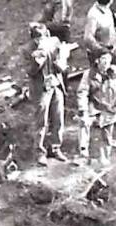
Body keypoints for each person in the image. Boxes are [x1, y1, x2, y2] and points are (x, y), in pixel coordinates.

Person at [76, 48, 116, 166]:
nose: (107, 62)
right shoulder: (89, 74)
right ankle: (83, 154)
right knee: (84, 125)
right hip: (93, 107)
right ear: (97, 60)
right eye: (103, 59)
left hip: (110, 109)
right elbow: (82, 92)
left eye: (108, 59)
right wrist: (83, 109)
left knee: (106, 135)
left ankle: (104, 157)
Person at [25, 24, 69, 166]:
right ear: (34, 39)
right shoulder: (27, 50)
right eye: (38, 38)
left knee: (58, 118)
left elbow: (62, 65)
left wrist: (60, 57)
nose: (41, 41)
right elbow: (31, 71)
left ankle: (55, 148)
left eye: (43, 37)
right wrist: (38, 60)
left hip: (55, 84)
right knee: (41, 121)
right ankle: (39, 152)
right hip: (41, 88)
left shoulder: (54, 43)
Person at [82, 0, 116, 70]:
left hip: (113, 52)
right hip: (101, 57)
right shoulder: (93, 14)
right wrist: (102, 50)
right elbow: (88, 38)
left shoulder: (107, 10)